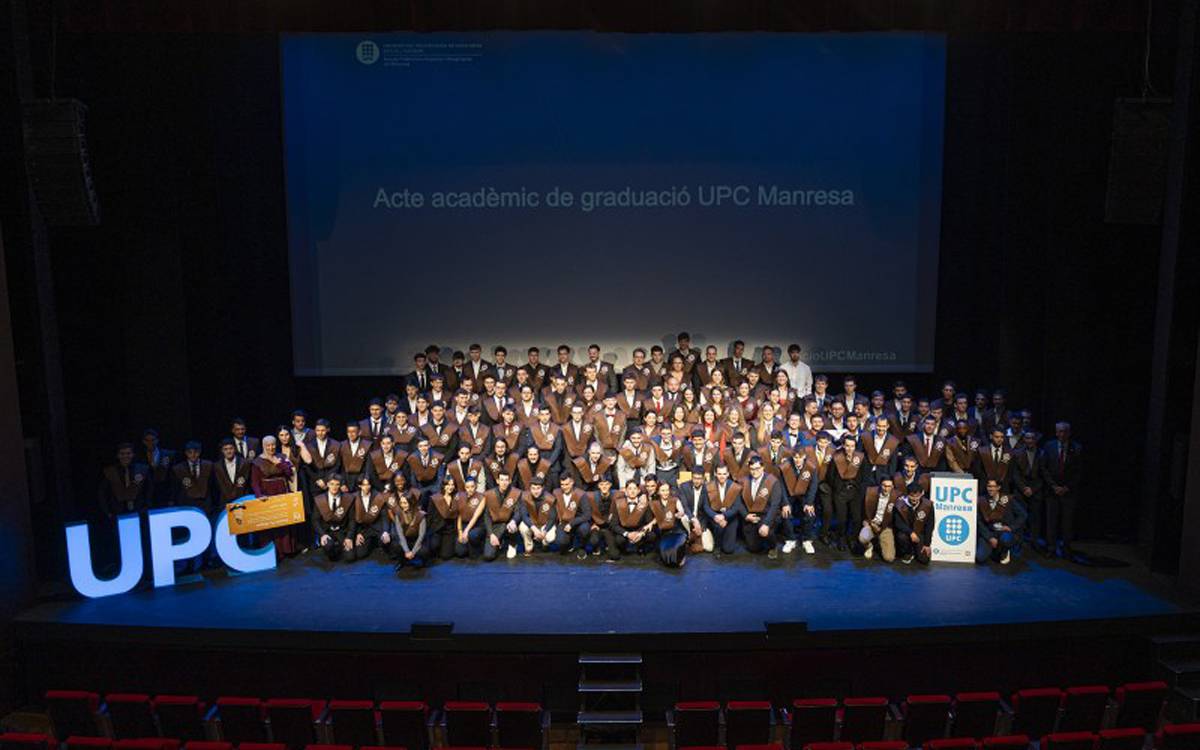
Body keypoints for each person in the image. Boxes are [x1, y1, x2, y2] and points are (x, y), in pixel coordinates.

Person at [1041, 421, 1083, 557]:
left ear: (1069, 433)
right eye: (1059, 431)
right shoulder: (1049, 446)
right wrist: (1053, 486)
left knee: (1067, 523)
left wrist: (1066, 487)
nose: (1061, 434)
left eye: (1064, 431)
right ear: (1056, 432)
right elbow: (1044, 468)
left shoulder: (1077, 448)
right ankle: (1051, 548)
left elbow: (1079, 471)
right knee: (1051, 521)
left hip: (1068, 491)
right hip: (1051, 490)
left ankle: (1066, 549)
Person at [827, 435, 866, 552]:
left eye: (852, 446)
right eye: (847, 446)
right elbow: (830, 476)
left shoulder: (860, 457)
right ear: (843, 445)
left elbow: (864, 475)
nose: (850, 448)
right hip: (841, 492)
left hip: (855, 491)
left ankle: (853, 539)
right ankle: (841, 539)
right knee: (841, 518)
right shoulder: (837, 457)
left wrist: (858, 487)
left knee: (856, 518)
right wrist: (838, 487)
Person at [740, 455, 783, 558]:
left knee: (764, 531)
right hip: (751, 514)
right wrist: (746, 515)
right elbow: (738, 501)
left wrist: (766, 524)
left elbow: (775, 505)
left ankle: (773, 546)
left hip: (767, 514)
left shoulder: (773, 481)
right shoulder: (744, 481)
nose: (754, 472)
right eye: (752, 469)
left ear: (763, 467)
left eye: (757, 469)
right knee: (753, 548)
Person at [976, 478, 1027, 565]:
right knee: (980, 557)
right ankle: (995, 549)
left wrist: (1011, 527)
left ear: (998, 487)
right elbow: (979, 522)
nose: (990, 489)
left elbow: (1023, 515)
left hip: (1004, 532)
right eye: (988, 486)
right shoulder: (982, 500)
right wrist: (989, 537)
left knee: (1006, 539)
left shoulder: (1007, 499)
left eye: (993, 486)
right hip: (990, 532)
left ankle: (1005, 550)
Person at [1011, 431, 1045, 552]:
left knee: (1035, 519)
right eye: (1027, 438)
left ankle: (1034, 543)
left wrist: (1033, 489)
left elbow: (1044, 475)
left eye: (1032, 438)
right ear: (1024, 439)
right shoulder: (1017, 453)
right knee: (1020, 517)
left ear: (1035, 439)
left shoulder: (1042, 454)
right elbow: (1014, 473)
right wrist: (1023, 488)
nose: (1029, 440)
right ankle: (1018, 542)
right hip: (1021, 490)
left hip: (1036, 491)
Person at [482, 470, 523, 560]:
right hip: (496, 526)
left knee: (513, 526)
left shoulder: (516, 493)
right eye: (502, 480)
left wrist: (513, 521)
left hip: (509, 524)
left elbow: (518, 512)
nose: (504, 482)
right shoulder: (489, 494)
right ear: (497, 481)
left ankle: (512, 544)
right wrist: (491, 534)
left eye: (506, 480)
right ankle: (499, 540)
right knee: (488, 556)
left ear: (510, 481)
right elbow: (486, 516)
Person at [312, 474, 354, 562]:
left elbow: (352, 520)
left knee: (350, 557)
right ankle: (334, 547)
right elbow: (315, 520)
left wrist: (349, 537)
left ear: (340, 485)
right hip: (327, 531)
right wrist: (322, 534)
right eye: (331, 484)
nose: (334, 487)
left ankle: (340, 546)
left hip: (342, 530)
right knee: (329, 549)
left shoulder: (347, 498)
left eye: (337, 484)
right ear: (327, 484)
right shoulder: (320, 499)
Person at [649, 480, 690, 567]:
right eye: (663, 490)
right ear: (658, 491)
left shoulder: (675, 500)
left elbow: (682, 511)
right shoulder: (654, 503)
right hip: (663, 533)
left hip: (677, 530)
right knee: (667, 557)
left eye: (667, 490)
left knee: (675, 553)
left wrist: (677, 514)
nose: (665, 493)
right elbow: (655, 518)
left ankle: (681, 554)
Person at [859, 477, 898, 562]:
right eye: (884, 486)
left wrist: (883, 528)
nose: (886, 488)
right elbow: (862, 510)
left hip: (886, 526)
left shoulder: (896, 497)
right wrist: (867, 522)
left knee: (889, 558)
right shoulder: (871, 493)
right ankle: (869, 546)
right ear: (880, 485)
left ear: (892, 487)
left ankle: (880, 542)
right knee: (863, 538)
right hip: (872, 523)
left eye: (889, 486)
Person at [348, 476, 387, 561]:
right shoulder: (354, 497)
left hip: (377, 527)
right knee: (360, 554)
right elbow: (352, 519)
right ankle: (371, 543)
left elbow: (384, 517)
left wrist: (385, 531)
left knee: (386, 544)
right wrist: (358, 533)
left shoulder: (378, 496)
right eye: (364, 485)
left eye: (368, 484)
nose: (367, 487)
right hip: (363, 530)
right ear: (359, 486)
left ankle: (377, 542)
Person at [894, 481, 933, 564]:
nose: (914, 499)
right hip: (906, 533)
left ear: (922, 494)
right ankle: (908, 552)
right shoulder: (899, 504)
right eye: (912, 496)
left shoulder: (928, 505)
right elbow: (898, 523)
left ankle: (915, 550)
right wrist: (910, 532)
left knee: (924, 560)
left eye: (917, 496)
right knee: (901, 536)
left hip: (919, 533)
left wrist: (927, 544)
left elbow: (929, 525)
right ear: (907, 494)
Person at [614, 479, 657, 556]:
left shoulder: (644, 504)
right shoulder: (618, 503)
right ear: (626, 491)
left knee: (651, 535)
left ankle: (641, 548)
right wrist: (627, 534)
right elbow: (613, 524)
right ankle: (624, 550)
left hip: (639, 530)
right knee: (619, 539)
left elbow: (648, 522)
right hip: (625, 530)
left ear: (638, 491)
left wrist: (641, 533)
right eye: (630, 489)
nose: (632, 491)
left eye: (635, 489)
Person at [388, 489, 428, 570]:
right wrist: (406, 551)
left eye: (405, 503)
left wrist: (413, 552)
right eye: (401, 503)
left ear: (411, 503)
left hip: (416, 540)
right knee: (395, 545)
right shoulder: (398, 515)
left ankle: (422, 562)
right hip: (405, 540)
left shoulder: (420, 515)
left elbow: (421, 536)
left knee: (424, 551)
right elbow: (400, 535)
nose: (403, 505)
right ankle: (401, 561)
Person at [586, 472, 622, 559]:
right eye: (601, 484)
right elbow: (587, 512)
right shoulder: (592, 496)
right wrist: (592, 524)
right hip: (597, 525)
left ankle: (611, 545)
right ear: (598, 486)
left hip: (610, 527)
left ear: (610, 485)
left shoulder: (617, 495)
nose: (604, 487)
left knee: (614, 555)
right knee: (593, 540)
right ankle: (597, 546)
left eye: (607, 484)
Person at [554, 474, 591, 557]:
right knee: (560, 542)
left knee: (584, 529)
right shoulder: (556, 493)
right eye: (562, 485)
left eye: (567, 484)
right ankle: (569, 543)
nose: (564, 487)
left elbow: (587, 515)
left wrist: (572, 523)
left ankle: (582, 546)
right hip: (564, 522)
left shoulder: (581, 494)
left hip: (578, 523)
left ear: (572, 483)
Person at [519, 476, 557, 554]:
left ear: (543, 488)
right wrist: (534, 529)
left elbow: (552, 518)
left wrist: (545, 531)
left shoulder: (550, 499)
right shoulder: (524, 497)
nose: (535, 491)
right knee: (523, 527)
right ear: (530, 488)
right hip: (532, 524)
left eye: (538, 488)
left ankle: (544, 543)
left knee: (551, 537)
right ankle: (529, 546)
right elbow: (524, 515)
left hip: (544, 524)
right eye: (533, 488)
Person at [453, 475, 487, 558]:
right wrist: (460, 532)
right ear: (464, 487)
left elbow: (475, 517)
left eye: (472, 486)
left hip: (477, 526)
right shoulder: (460, 496)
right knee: (460, 553)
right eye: (467, 487)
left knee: (472, 537)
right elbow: (459, 515)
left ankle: (479, 545)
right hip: (464, 525)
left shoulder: (482, 497)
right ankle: (468, 545)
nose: (470, 489)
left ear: (476, 486)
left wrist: (466, 532)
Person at [427, 478, 459, 561]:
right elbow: (430, 516)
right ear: (444, 486)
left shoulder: (456, 498)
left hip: (450, 530)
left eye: (452, 485)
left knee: (446, 556)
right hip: (437, 528)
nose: (450, 487)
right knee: (434, 546)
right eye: (448, 484)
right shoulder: (435, 498)